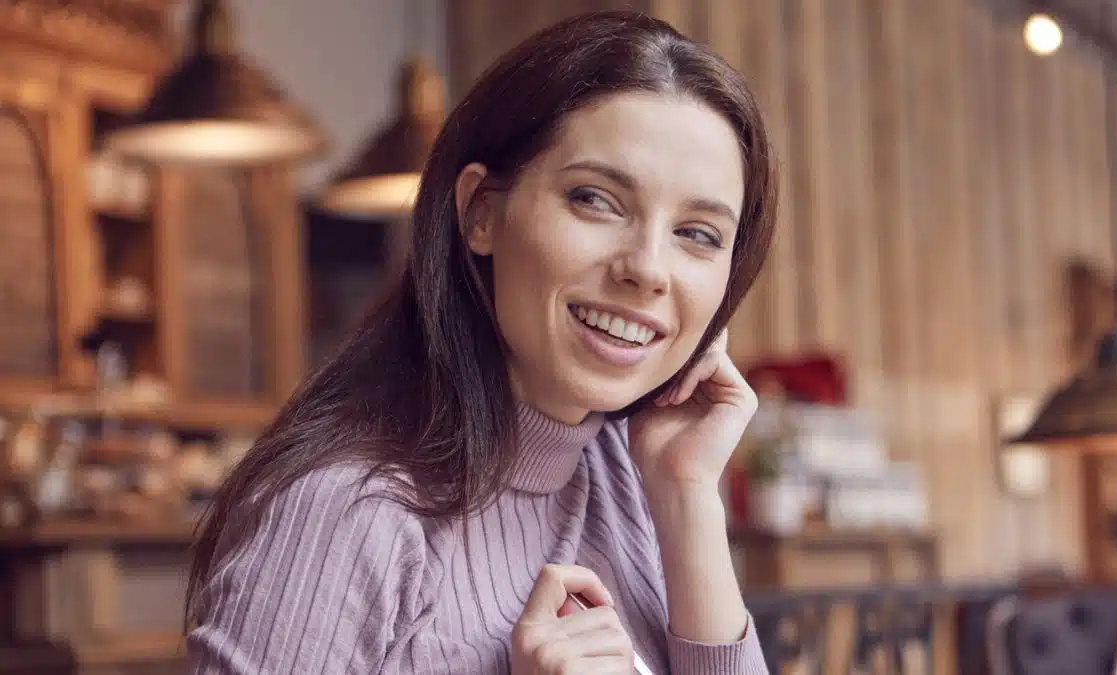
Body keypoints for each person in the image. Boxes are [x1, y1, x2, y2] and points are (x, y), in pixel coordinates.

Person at [185, 9, 777, 674]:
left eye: (698, 234)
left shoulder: (631, 477)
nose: (647, 267)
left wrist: (685, 492)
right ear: (481, 212)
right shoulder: (342, 514)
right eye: (595, 199)